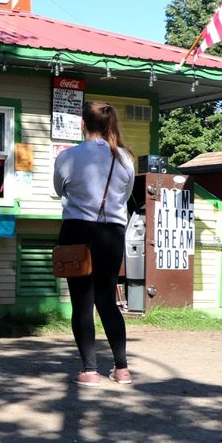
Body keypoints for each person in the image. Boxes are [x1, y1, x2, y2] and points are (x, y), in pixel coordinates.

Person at [53, 100, 136, 387]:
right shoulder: (125, 158)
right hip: (113, 231)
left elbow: (58, 189)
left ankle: (90, 370)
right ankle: (122, 368)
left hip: (77, 230)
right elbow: (125, 197)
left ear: (82, 124)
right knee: (107, 300)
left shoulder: (68, 156)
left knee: (82, 302)